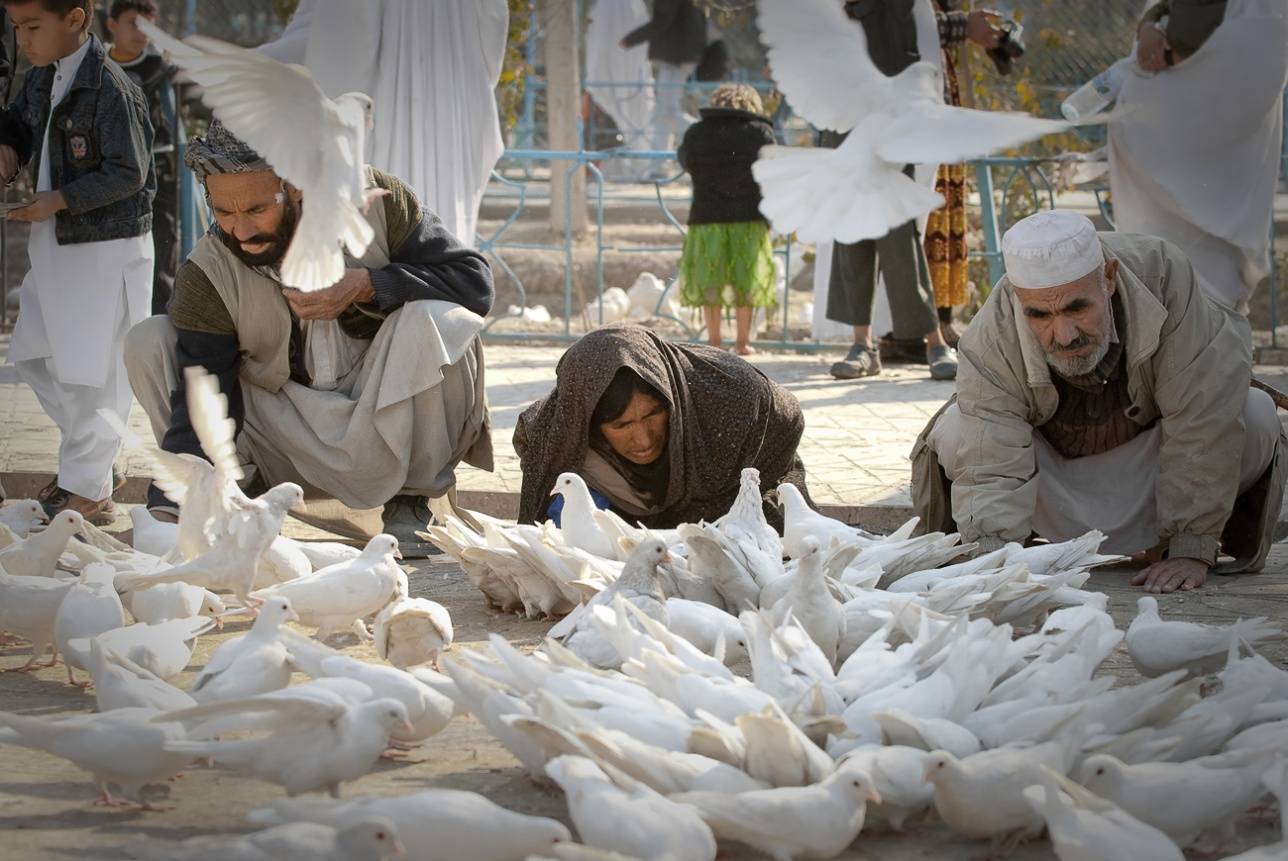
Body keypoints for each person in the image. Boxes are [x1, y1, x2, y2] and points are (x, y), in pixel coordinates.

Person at [123, 121, 495, 557]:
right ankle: (230, 500)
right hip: (281, 436)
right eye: (224, 213)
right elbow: (202, 395)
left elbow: (474, 285)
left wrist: (368, 285)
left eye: (257, 210)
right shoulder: (209, 271)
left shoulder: (377, 204)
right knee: (150, 340)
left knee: (441, 319)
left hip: (384, 418)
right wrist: (171, 505)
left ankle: (411, 501)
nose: (240, 231)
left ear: (296, 186)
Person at [910, 210, 1286, 594]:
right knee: (957, 428)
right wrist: (994, 561)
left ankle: (1173, 538)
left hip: (1151, 482)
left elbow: (1202, 418)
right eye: (1040, 315)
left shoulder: (1163, 276)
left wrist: (1191, 545)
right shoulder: (992, 335)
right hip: (1049, 493)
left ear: (1108, 278)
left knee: (1255, 413)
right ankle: (1020, 543)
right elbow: (990, 459)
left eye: (1076, 308)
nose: (1065, 334)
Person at [0, 0, 155, 524]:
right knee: (36, 356)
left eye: (32, 26)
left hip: (105, 249)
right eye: (17, 27)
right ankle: (93, 471)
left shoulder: (112, 88)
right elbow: (22, 125)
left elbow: (128, 173)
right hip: (57, 244)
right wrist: (8, 149)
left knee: (92, 374)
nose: (22, 39)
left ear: (76, 18)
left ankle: (87, 491)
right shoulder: (44, 76)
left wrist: (59, 199)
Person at [257, 0, 507, 246]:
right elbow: (492, 30)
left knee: (378, 239)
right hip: (454, 119)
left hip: (383, 118)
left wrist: (250, 65)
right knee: (444, 244)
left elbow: (344, 42)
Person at [514, 324, 813, 530]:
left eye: (653, 414)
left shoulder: (730, 395)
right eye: (621, 425)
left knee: (761, 536)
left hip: (731, 485)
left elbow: (789, 416)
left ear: (672, 400)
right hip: (624, 503)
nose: (643, 439)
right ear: (590, 426)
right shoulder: (560, 430)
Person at [1109, 0, 1287, 324]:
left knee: (1202, 277)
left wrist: (1171, 45)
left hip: (1209, 100)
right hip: (1183, 107)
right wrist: (1151, 26)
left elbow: (1202, 27)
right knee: (1179, 267)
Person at [824, 0, 958, 383]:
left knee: (899, 234)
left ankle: (934, 342)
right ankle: (862, 344)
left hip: (891, 126)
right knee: (851, 233)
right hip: (843, 124)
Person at [923, 2, 1004, 348]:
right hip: (909, 117)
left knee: (944, 217)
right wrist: (961, 25)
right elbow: (893, 30)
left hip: (941, 113)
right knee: (921, 221)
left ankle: (941, 318)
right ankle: (912, 327)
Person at [676, 83, 777, 356]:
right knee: (747, 279)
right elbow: (774, 168)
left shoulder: (697, 132)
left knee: (711, 278)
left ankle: (715, 341)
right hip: (749, 217)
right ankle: (743, 343)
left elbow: (685, 162)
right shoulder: (761, 133)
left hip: (707, 216)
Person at [106, 0, 180, 315]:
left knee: (162, 244)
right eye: (134, 23)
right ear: (112, 24)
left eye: (148, 26)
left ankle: (160, 318)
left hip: (155, 168)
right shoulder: (98, 66)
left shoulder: (159, 68)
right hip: (111, 170)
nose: (141, 33)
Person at [619, 0, 707, 154]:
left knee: (667, 113)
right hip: (682, 55)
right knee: (664, 113)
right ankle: (658, 163)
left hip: (676, 57)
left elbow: (662, 21)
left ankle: (706, 133)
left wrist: (631, 39)